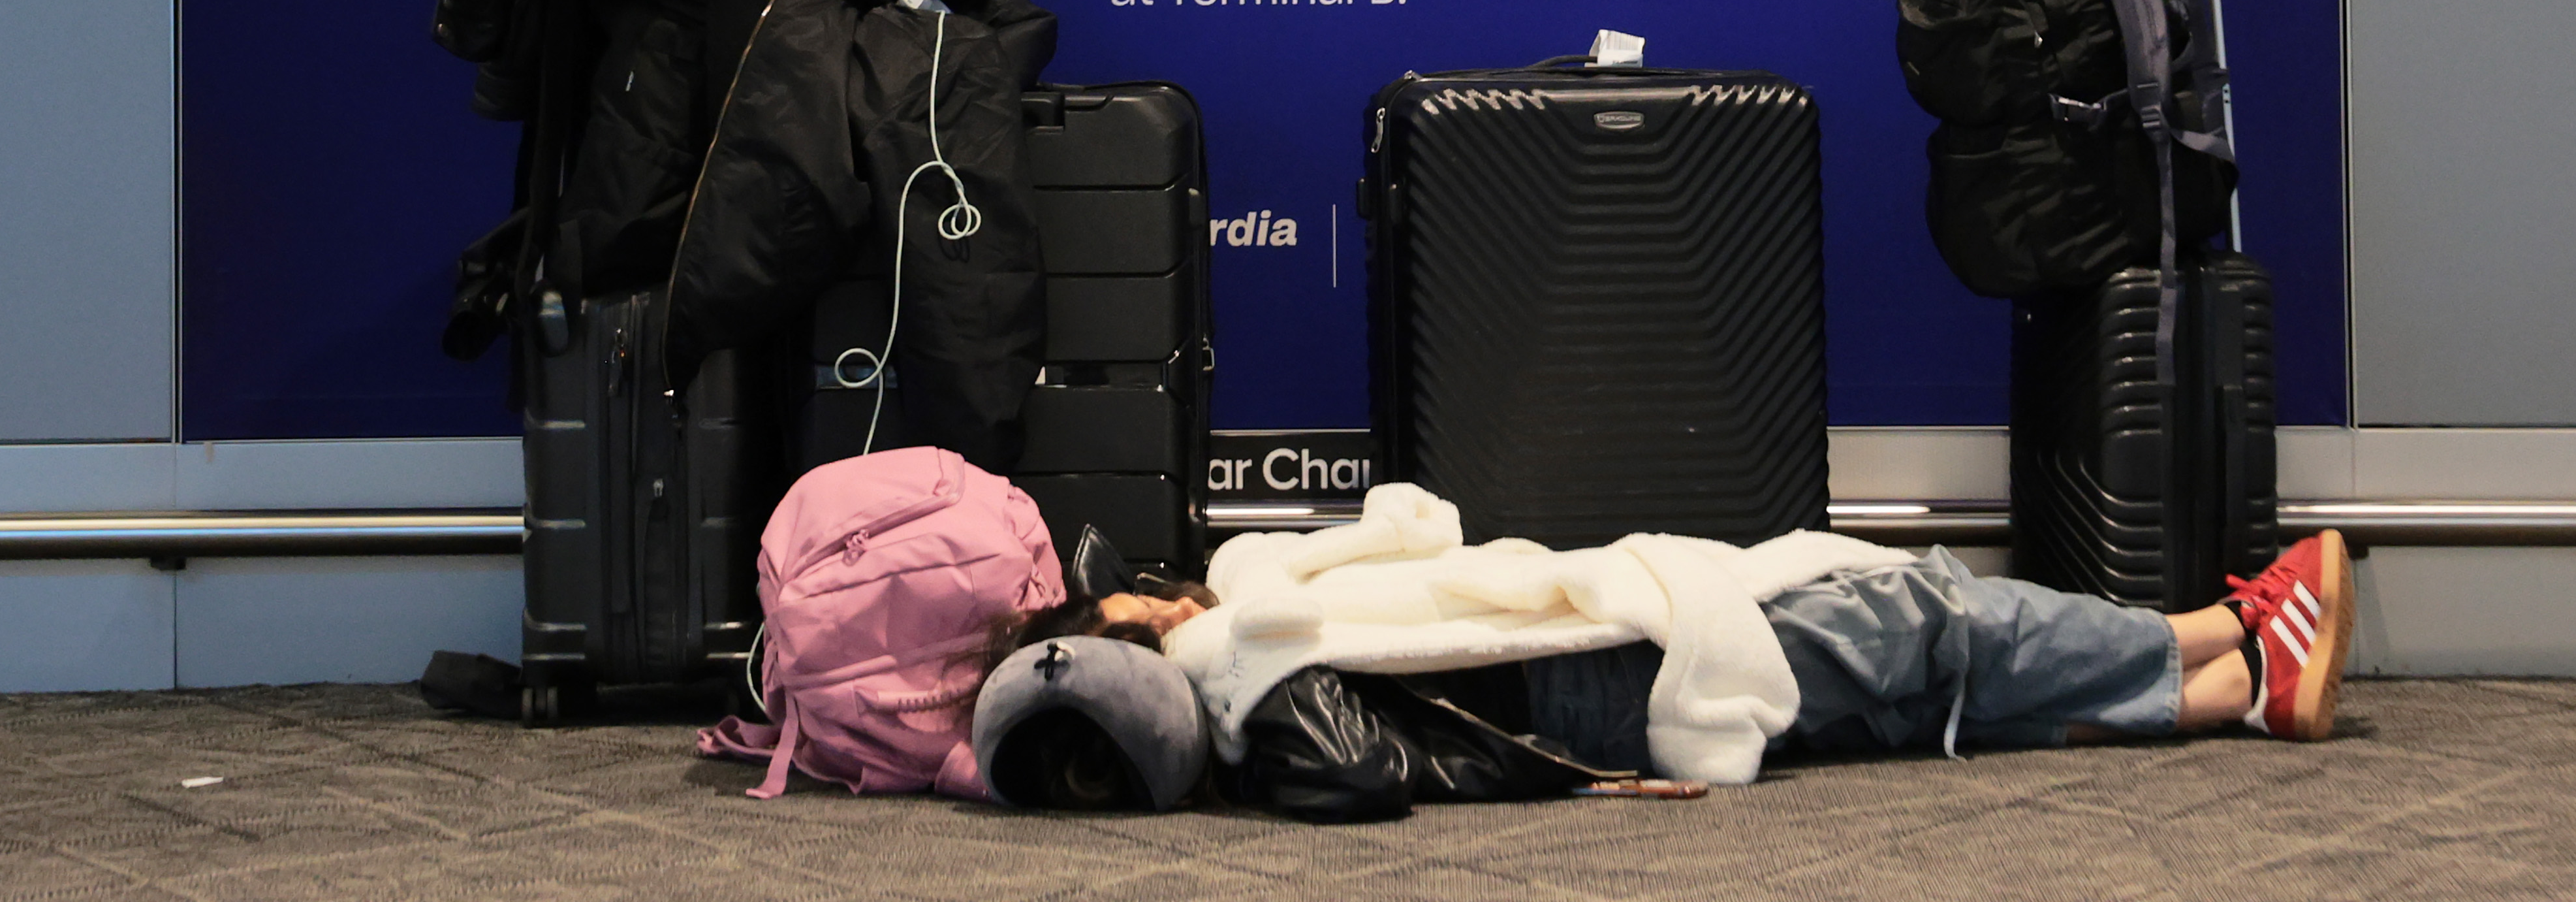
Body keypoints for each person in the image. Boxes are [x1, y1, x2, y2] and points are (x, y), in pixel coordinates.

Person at [966, 485, 2356, 820]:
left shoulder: (1245, 616)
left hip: (1615, 638)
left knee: (1917, 662)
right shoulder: (1255, 697)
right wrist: (1243, 640)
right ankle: (2219, 630)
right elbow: (1367, 767)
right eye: (1131, 613)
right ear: (1125, 656)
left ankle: (2229, 691)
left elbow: (1422, 528)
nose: (1155, 595)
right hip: (1627, 677)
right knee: (1918, 616)